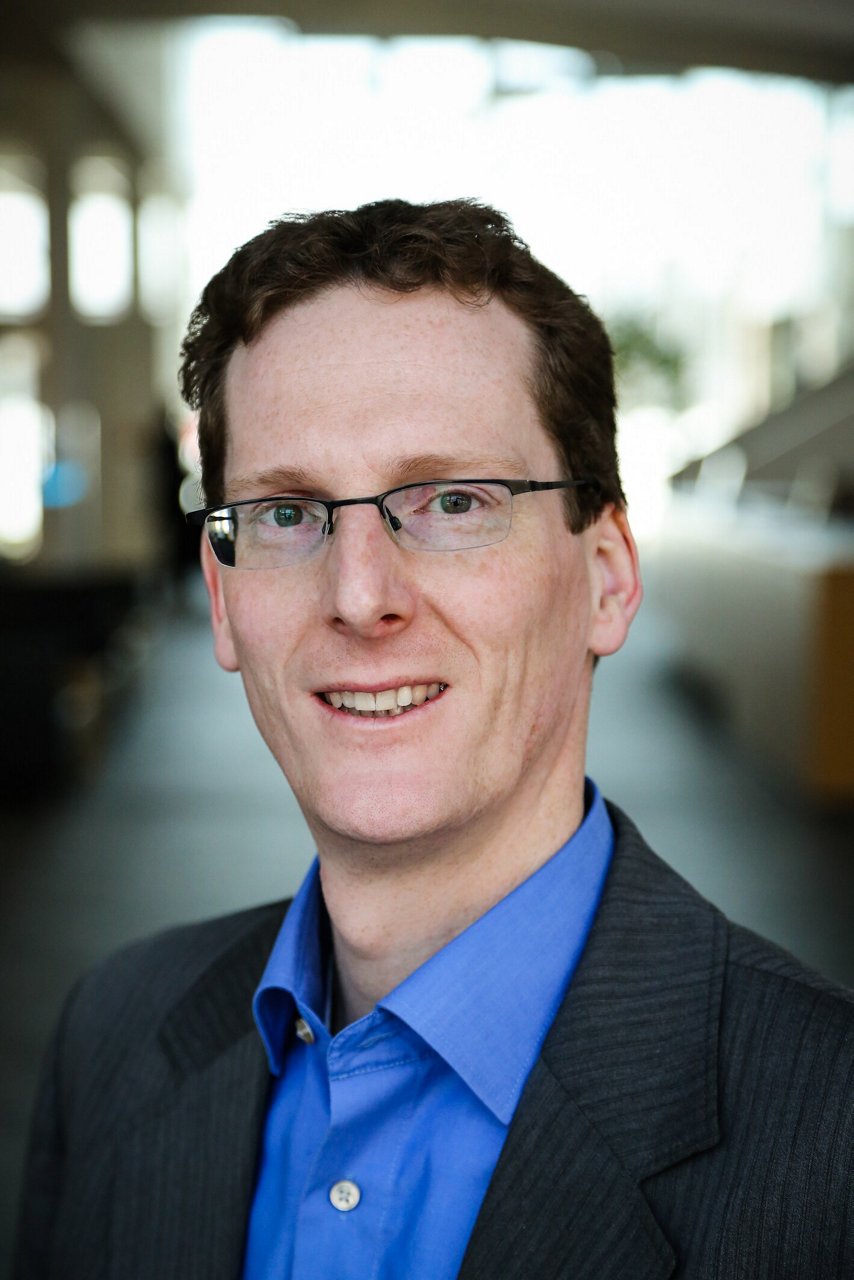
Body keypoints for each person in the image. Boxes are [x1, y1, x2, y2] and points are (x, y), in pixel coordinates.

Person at [14, 199, 854, 1280]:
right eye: (284, 513)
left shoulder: (827, 1133)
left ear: (604, 576)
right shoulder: (113, 1037)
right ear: (222, 604)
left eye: (452, 499)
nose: (359, 596)